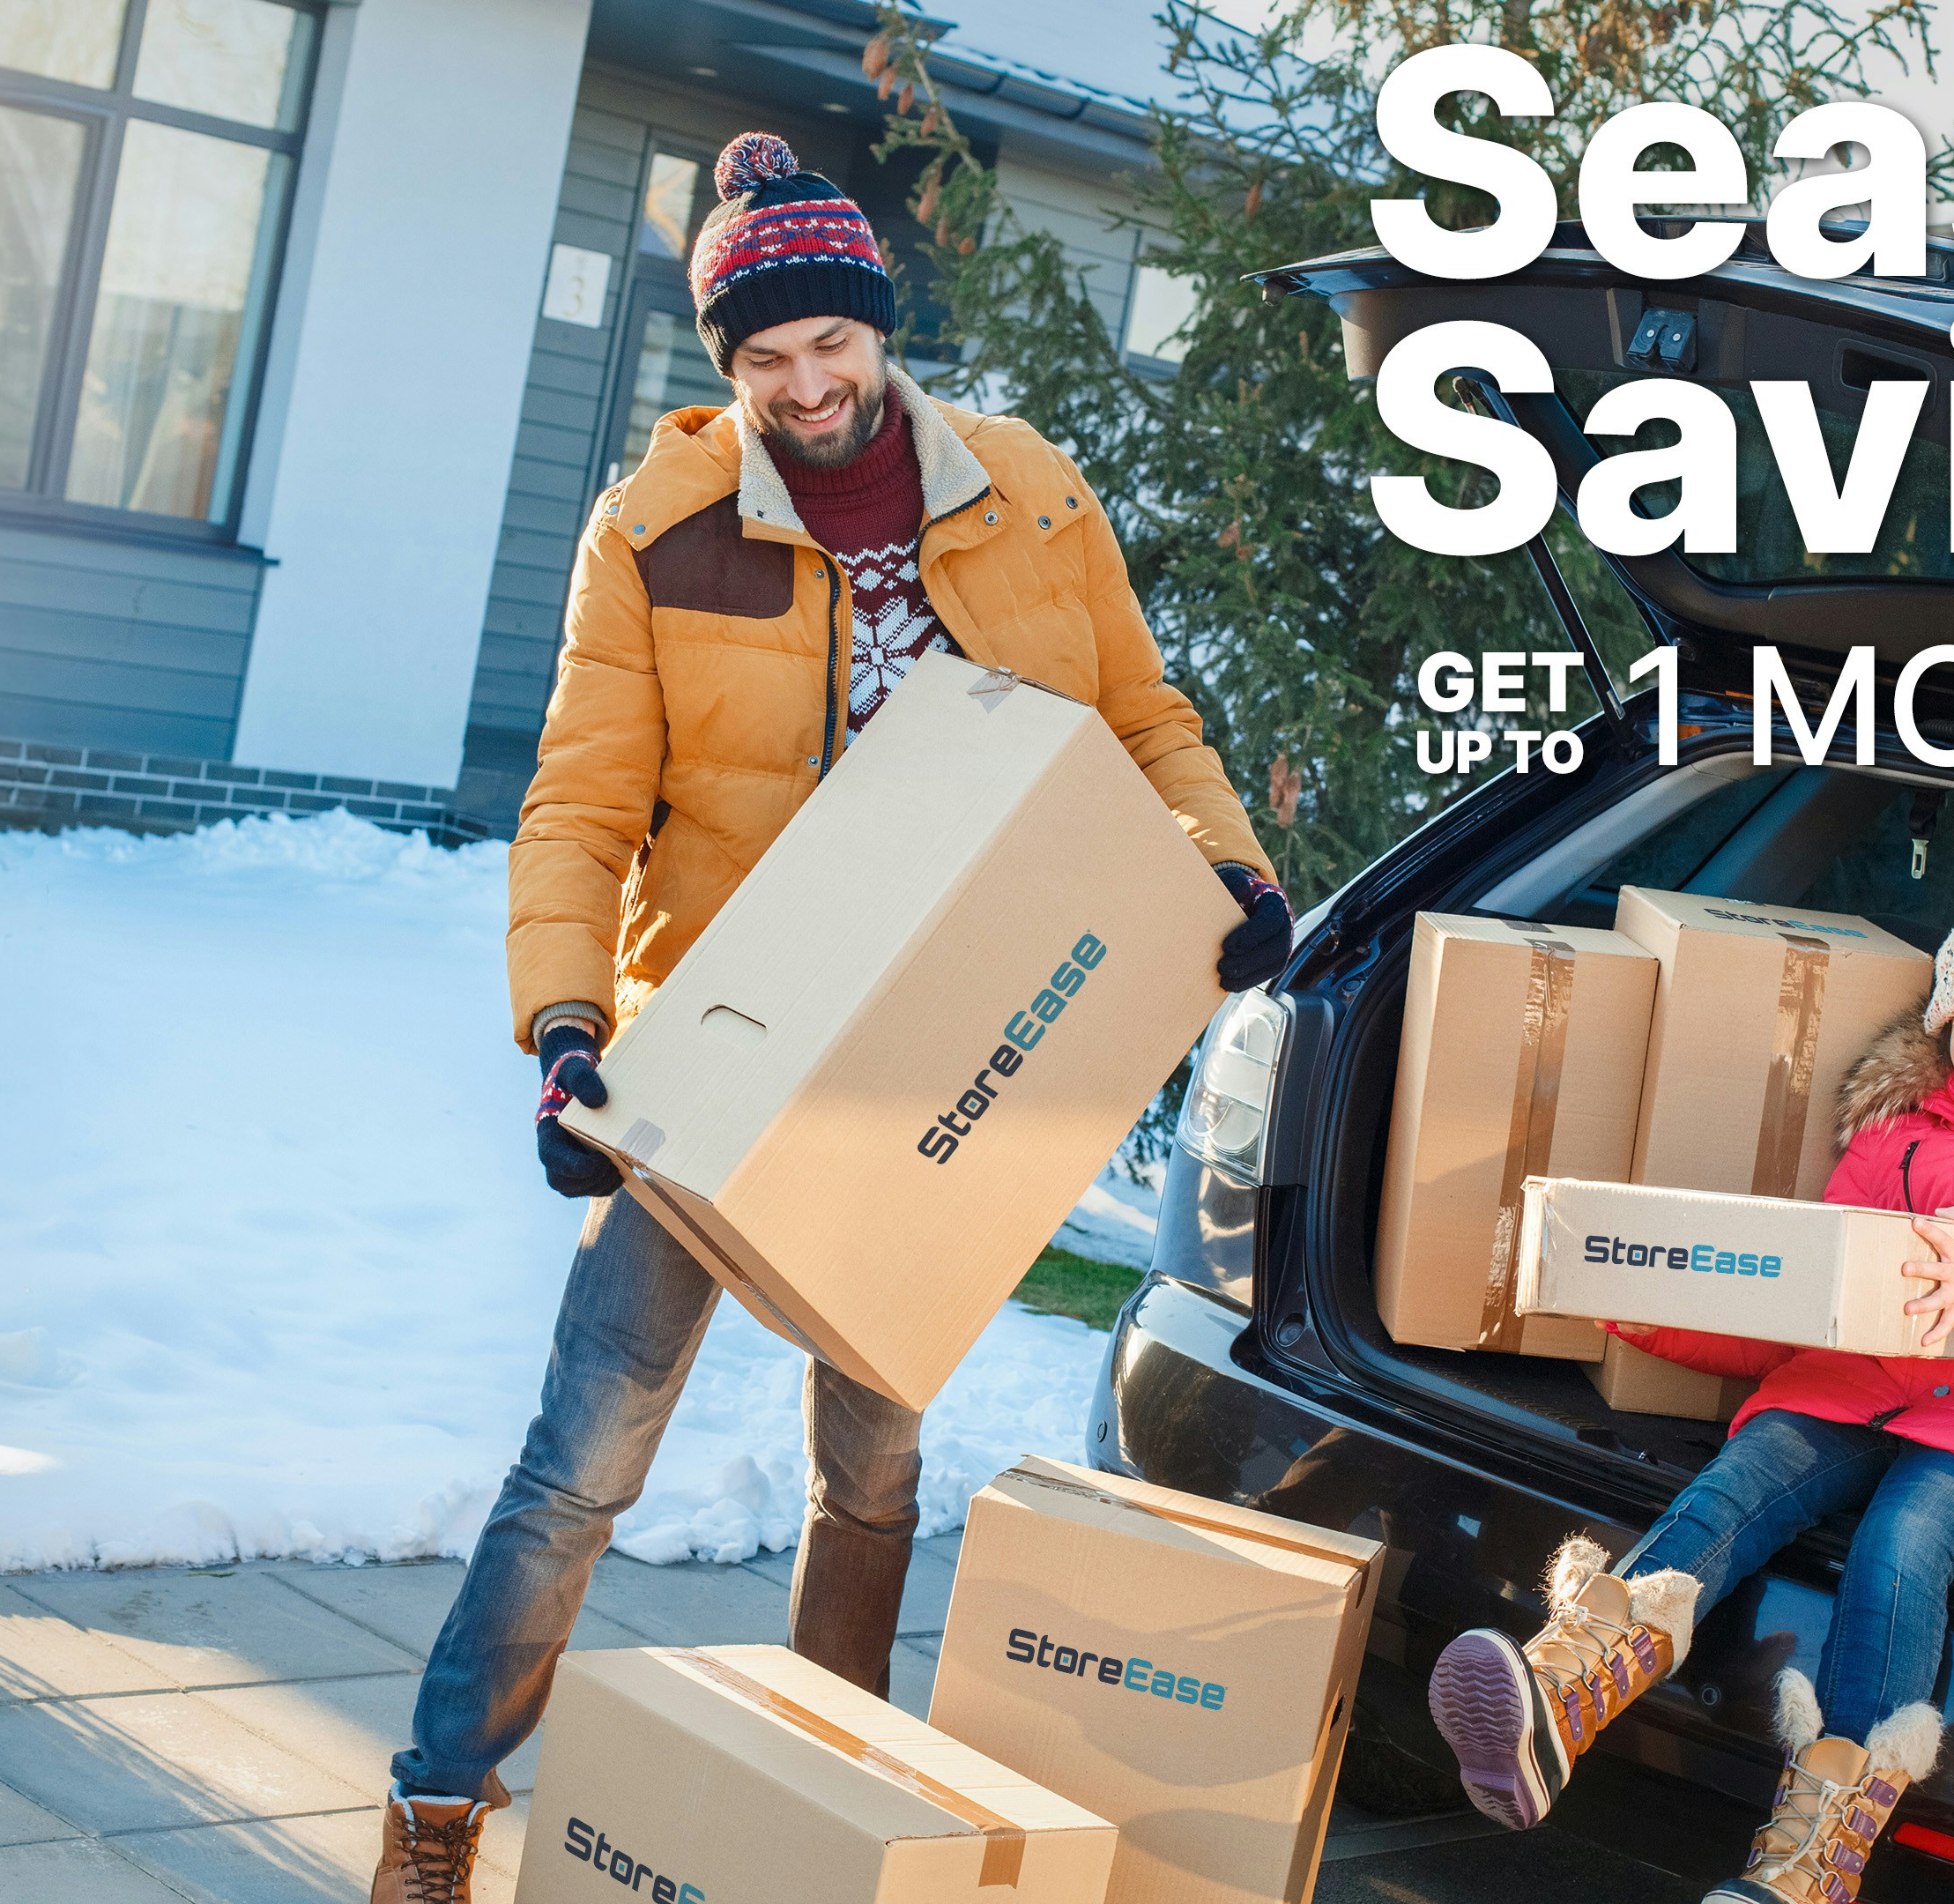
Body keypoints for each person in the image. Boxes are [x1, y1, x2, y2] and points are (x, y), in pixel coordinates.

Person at [370, 132, 1289, 1903]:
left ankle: (820, 1802)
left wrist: (1224, 867)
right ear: (728, 369)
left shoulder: (1028, 494)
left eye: (829, 346)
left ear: (880, 328)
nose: (805, 384)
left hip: (930, 1050)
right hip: (720, 1049)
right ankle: (436, 1805)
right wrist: (566, 1029)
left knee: (872, 1469)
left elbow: (1144, 720)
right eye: (762, 358)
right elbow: (578, 806)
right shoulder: (658, 529)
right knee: (581, 1461)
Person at [1424, 845, 1954, 1904]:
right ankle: (1561, 1697)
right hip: (1849, 1379)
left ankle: (1809, 1863)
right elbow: (1802, 1301)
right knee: (1740, 1479)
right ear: (1943, 1019)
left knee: (1905, 1542)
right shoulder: (1893, 1125)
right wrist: (1657, 1313)